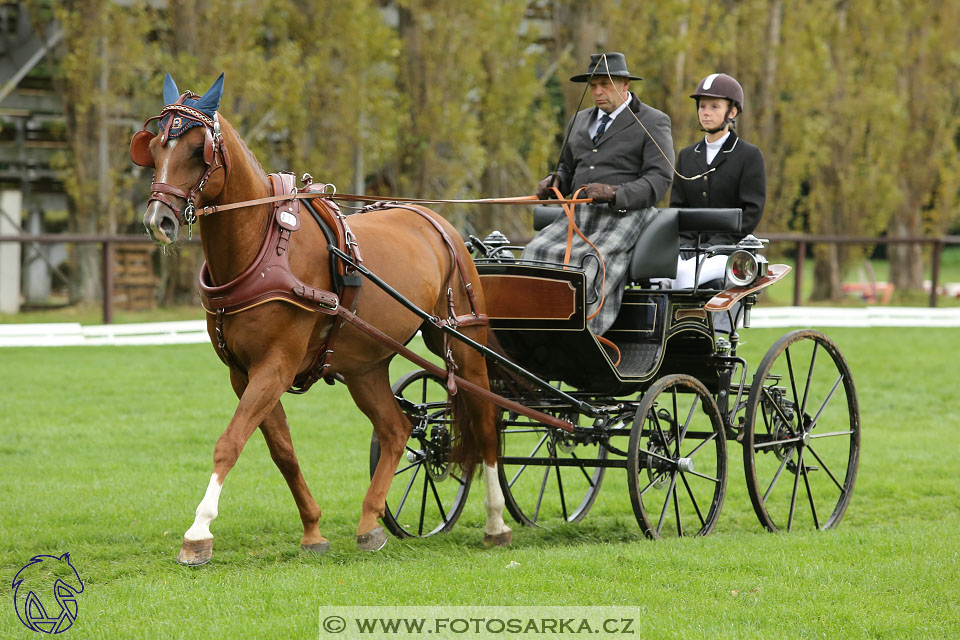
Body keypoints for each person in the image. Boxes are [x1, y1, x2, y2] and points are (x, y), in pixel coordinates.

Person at [524, 52, 673, 335]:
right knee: (534, 252)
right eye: (593, 85)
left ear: (625, 84)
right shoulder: (578, 120)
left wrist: (614, 193)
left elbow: (659, 180)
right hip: (579, 214)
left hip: (627, 214)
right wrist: (554, 181)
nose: (598, 91)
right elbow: (568, 167)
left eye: (605, 84)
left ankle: (582, 334)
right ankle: (534, 331)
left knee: (590, 263)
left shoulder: (653, 121)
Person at [667, 72, 765, 289]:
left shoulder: (749, 155)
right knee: (659, 276)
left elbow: (751, 212)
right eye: (702, 106)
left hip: (729, 249)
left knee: (686, 279)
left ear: (732, 111)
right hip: (688, 249)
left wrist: (716, 244)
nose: (706, 113)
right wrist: (685, 245)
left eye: (714, 107)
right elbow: (678, 208)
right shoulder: (686, 155)